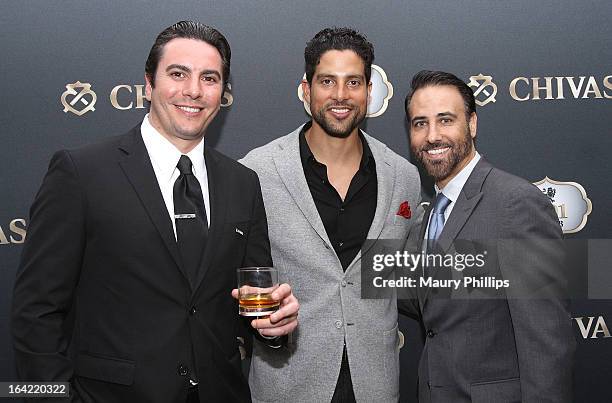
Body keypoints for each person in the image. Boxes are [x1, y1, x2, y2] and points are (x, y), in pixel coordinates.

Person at [11, 21, 298, 403]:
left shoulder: (242, 182)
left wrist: (274, 329)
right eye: (178, 74)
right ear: (149, 84)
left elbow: (253, 305)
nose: (193, 90)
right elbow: (36, 313)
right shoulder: (81, 173)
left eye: (209, 78)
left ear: (222, 93)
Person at [241, 27, 421, 403]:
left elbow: (410, 276)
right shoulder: (256, 171)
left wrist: (531, 269)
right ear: (306, 90)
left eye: (353, 82)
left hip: (375, 386)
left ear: (370, 92)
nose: (341, 96)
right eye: (327, 81)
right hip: (287, 386)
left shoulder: (402, 176)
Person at [400, 70, 575, 402]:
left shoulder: (515, 204)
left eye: (446, 120)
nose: (432, 136)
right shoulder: (432, 212)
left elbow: (546, 342)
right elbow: (432, 304)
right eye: (420, 123)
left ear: (473, 125)